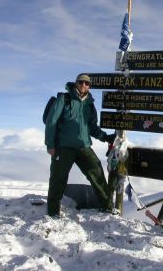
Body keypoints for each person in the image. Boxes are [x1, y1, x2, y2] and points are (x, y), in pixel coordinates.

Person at [45, 73, 116, 217]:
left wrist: (106, 138)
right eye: (81, 82)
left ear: (90, 86)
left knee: (96, 172)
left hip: (83, 146)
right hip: (63, 147)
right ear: (76, 83)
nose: (84, 85)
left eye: (87, 83)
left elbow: (92, 127)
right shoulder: (63, 99)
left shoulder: (90, 104)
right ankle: (53, 212)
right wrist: (50, 145)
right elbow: (51, 122)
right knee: (58, 178)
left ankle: (108, 208)